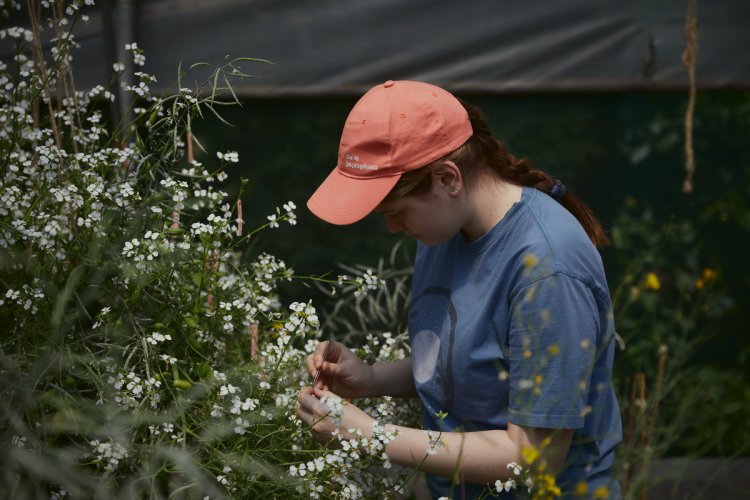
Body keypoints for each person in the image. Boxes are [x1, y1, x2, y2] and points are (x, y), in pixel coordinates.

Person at [296, 80, 622, 499]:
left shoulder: (548, 269)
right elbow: (469, 362)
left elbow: (532, 457)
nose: (392, 227)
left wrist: (368, 433)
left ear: (447, 178)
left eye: (395, 212)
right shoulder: (445, 232)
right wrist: (371, 379)